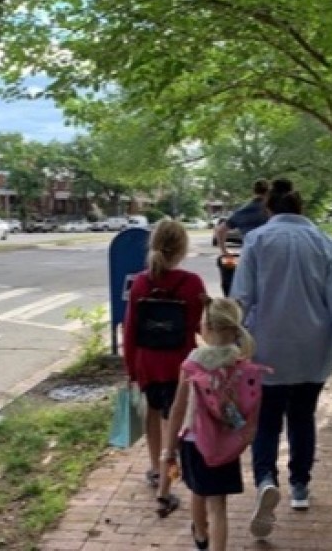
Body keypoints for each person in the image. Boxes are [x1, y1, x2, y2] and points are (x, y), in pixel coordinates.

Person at [230, 177, 332, 539]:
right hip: (313, 348)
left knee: (266, 420)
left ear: (268, 208)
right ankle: (300, 486)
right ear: (300, 207)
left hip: (266, 346)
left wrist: (230, 340)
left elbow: (242, 297)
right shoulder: (324, 242)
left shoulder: (257, 240)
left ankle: (265, 480)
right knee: (303, 416)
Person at [122, 218, 206, 515]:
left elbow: (130, 330)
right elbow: (198, 326)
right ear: (183, 248)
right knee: (176, 424)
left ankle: (156, 469)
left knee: (153, 415)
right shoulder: (192, 283)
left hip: (147, 362)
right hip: (179, 365)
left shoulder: (140, 282)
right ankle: (169, 479)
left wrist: (131, 368)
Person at [158, 297, 256, 551]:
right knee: (218, 505)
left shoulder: (193, 362)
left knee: (197, 491)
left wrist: (169, 449)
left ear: (207, 328)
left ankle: (201, 535)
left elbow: (178, 408)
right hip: (225, 443)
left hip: (195, 440)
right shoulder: (240, 362)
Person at [215, 178, 270, 296]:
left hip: (249, 256)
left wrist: (224, 251)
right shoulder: (270, 210)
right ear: (268, 192)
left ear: (253, 191)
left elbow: (220, 230)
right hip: (271, 256)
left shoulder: (243, 211)